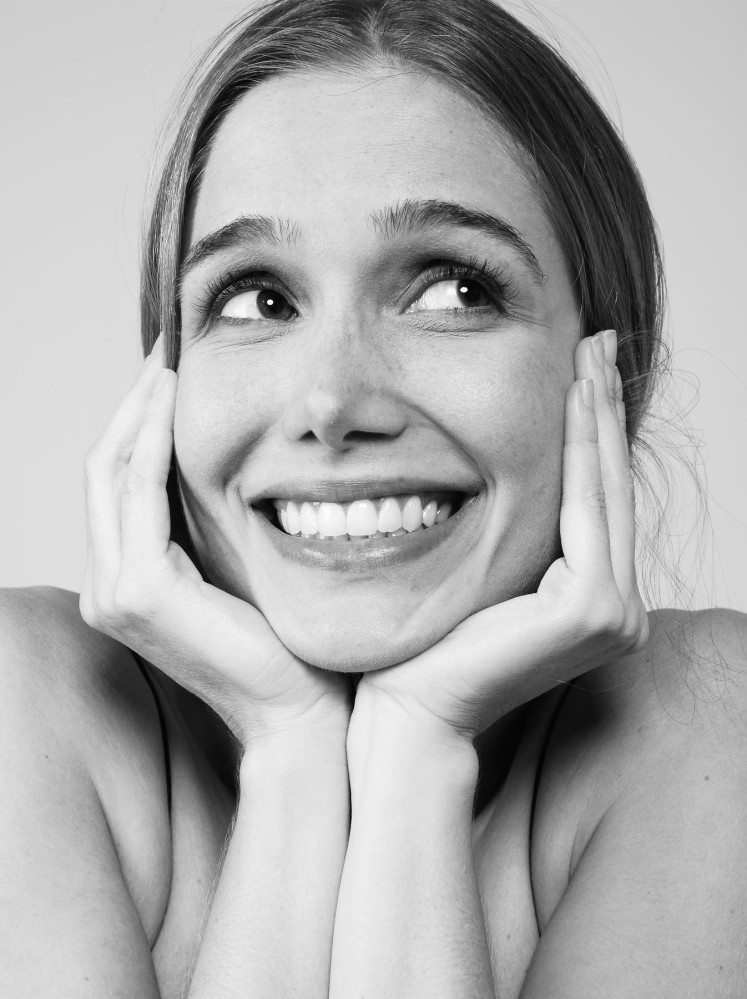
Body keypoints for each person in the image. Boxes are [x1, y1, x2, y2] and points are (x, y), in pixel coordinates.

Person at [1, 0, 745, 995]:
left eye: (454, 292)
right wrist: (288, 747)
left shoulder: (713, 720)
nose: (332, 402)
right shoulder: (25, 701)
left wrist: (419, 749)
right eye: (257, 298)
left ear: (608, 370)